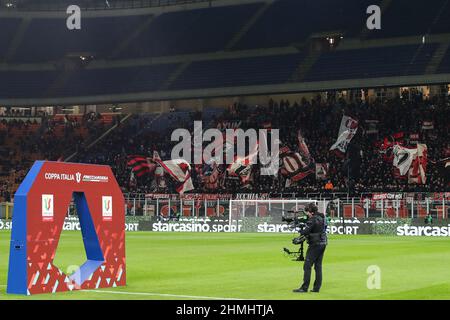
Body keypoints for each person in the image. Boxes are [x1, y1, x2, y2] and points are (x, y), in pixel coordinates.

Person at [293, 203, 328, 293]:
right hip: (323, 243)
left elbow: (306, 231)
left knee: (307, 266)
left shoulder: (312, 219)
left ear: (311, 212)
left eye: (307, 212)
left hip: (315, 244)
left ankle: (304, 287)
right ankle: (316, 288)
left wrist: (299, 229)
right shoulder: (322, 218)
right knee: (318, 266)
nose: (307, 214)